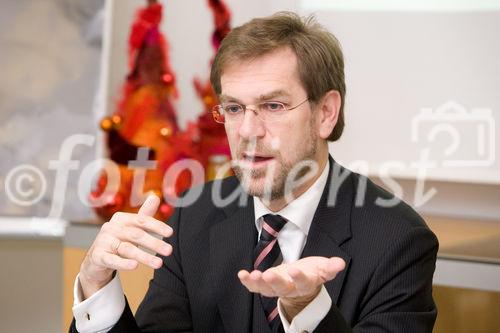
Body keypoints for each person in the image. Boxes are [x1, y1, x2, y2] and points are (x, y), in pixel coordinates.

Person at [70, 12, 438, 333]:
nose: (247, 131)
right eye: (233, 108)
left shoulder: (398, 239)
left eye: (272, 105)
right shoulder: (195, 215)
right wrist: (95, 286)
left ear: (326, 113)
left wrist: (308, 310)